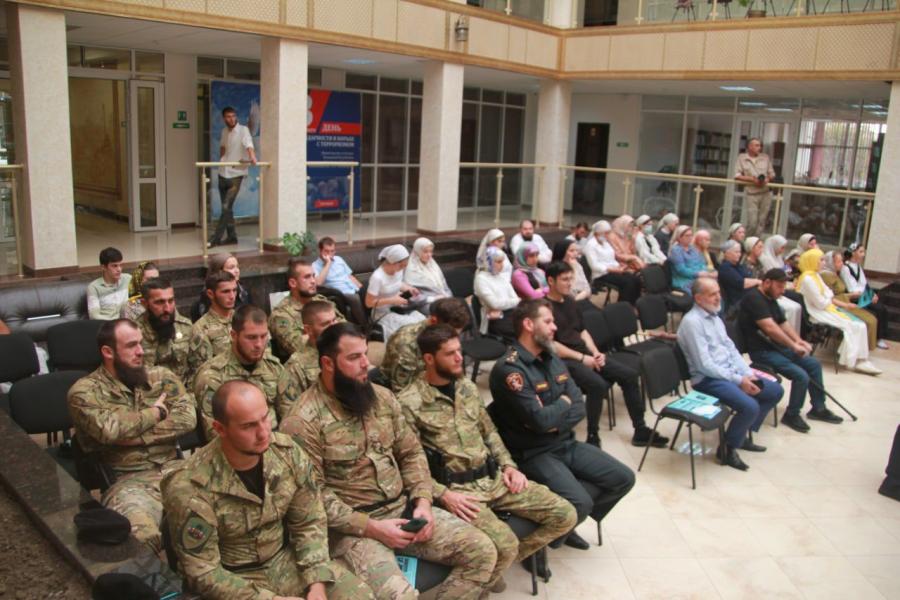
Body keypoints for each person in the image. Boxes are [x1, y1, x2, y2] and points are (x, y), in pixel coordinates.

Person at [279, 323, 500, 600]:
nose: (366, 363)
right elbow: (313, 498)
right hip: (354, 529)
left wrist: (423, 502)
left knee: (483, 552)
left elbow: (411, 453)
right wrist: (372, 527)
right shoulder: (302, 422)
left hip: (402, 509)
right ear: (328, 363)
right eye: (354, 357)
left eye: (365, 353)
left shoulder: (381, 398)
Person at [397, 324, 577, 585]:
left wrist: (509, 466)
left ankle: (492, 571)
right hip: (460, 493)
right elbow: (408, 462)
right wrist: (443, 495)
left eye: (459, 350)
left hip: (494, 479)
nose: (459, 358)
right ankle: (485, 578)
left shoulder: (467, 387)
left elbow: (490, 432)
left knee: (565, 515)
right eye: (450, 353)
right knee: (506, 544)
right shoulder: (408, 402)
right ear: (429, 358)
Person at [161, 381, 371, 600]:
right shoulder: (190, 486)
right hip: (233, 581)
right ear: (220, 429)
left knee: (360, 595)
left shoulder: (287, 453)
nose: (263, 433)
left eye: (265, 418)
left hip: (286, 563)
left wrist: (316, 582)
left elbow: (309, 520)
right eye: (248, 426)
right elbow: (203, 572)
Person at [488, 300, 635, 554]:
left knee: (623, 478)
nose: (554, 327)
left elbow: (578, 405)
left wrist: (555, 416)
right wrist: (561, 405)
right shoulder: (510, 369)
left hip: (564, 442)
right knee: (580, 503)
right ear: (528, 324)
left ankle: (564, 527)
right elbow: (541, 420)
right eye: (548, 321)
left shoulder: (551, 357)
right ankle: (537, 547)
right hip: (533, 452)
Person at [67, 319, 196, 552]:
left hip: (177, 469)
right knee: (141, 539)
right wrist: (156, 413)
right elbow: (110, 430)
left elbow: (187, 419)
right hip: (129, 482)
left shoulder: (161, 377)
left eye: (140, 343)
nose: (140, 351)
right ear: (108, 352)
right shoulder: (84, 392)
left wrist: (135, 436)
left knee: (225, 516)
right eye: (131, 345)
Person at [545, 262, 667, 449]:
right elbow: (551, 345)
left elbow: (582, 331)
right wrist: (582, 358)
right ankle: (593, 435)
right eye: (564, 279)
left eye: (571, 279)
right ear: (550, 281)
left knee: (629, 375)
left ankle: (640, 429)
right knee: (598, 385)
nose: (569, 283)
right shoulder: (544, 308)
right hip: (566, 360)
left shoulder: (570, 302)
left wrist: (595, 352)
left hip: (585, 354)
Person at [677, 279, 784, 471]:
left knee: (775, 391)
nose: (718, 297)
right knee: (749, 406)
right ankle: (727, 449)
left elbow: (731, 349)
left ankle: (741, 435)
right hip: (707, 379)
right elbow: (704, 365)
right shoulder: (692, 322)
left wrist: (747, 374)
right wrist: (739, 380)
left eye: (718, 292)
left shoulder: (715, 317)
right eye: (712, 294)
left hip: (729, 372)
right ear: (698, 298)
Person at [739, 269, 843, 433]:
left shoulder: (770, 298)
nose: (782, 291)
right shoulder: (754, 299)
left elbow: (782, 323)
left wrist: (798, 340)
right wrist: (793, 346)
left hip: (777, 348)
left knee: (813, 364)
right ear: (767, 282)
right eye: (779, 286)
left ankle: (818, 408)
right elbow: (770, 328)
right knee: (800, 375)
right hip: (762, 351)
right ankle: (792, 414)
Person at [195, 305, 296, 440]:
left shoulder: (274, 367)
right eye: (251, 337)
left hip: (275, 441)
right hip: (238, 447)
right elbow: (215, 434)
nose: (259, 344)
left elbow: (289, 416)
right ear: (234, 335)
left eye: (263, 336)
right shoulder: (212, 376)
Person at [796, 249, 881, 375]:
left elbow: (829, 295)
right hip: (819, 313)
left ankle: (861, 359)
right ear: (812, 260)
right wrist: (829, 299)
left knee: (860, 325)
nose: (823, 263)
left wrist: (837, 301)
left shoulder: (816, 276)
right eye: (821, 260)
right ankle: (856, 360)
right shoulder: (808, 279)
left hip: (827, 308)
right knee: (854, 325)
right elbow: (821, 303)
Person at [381, 297, 471, 392]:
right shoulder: (406, 343)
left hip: (433, 380)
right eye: (447, 333)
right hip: (408, 388)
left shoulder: (444, 333)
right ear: (433, 321)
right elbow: (402, 390)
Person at [269, 258, 345, 357]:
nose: (313, 281)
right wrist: (332, 332)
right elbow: (297, 346)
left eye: (313, 276)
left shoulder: (321, 300)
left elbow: (344, 327)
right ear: (293, 283)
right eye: (307, 277)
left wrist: (315, 334)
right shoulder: (281, 314)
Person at [276, 300, 339, 417]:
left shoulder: (345, 352)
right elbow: (288, 413)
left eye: (334, 320)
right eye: (325, 324)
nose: (334, 327)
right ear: (308, 330)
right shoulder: (296, 366)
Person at [209, 106, 257, 248]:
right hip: (223, 172)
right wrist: (222, 159)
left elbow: (249, 144)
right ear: (224, 118)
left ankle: (215, 238)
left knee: (226, 207)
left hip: (236, 174)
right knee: (227, 209)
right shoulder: (224, 131)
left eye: (233, 116)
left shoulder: (243, 130)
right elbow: (223, 146)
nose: (231, 119)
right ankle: (232, 237)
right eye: (228, 117)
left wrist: (252, 156)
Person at [134, 278, 193, 382]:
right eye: (159, 302)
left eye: (171, 301)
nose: (167, 309)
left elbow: (198, 366)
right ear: (144, 303)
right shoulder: (133, 333)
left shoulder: (186, 327)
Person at [365, 244, 426, 341]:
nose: (403, 268)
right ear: (392, 262)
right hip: (382, 313)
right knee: (411, 326)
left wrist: (409, 289)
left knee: (422, 320)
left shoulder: (398, 270)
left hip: (397, 308)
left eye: (405, 266)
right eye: (401, 265)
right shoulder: (377, 278)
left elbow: (398, 283)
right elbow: (369, 303)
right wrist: (392, 300)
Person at [186, 271, 238, 383]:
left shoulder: (242, 319)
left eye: (234, 290)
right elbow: (203, 372)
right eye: (226, 291)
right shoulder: (201, 329)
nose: (232, 296)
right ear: (210, 294)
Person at [821, 251, 878, 351]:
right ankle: (860, 349)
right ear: (832, 263)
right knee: (869, 321)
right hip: (838, 305)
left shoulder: (835, 273)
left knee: (872, 319)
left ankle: (862, 349)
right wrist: (850, 296)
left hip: (844, 302)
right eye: (838, 262)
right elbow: (830, 297)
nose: (841, 264)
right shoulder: (827, 275)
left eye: (841, 261)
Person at [840, 243, 890, 349]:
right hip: (854, 298)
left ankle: (880, 338)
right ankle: (876, 338)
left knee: (883, 309)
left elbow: (864, 284)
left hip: (863, 296)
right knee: (878, 310)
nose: (863, 254)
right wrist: (869, 296)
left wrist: (872, 294)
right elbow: (852, 288)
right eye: (861, 252)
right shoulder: (845, 268)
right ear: (853, 253)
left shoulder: (858, 267)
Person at [583, 220, 642, 305]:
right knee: (627, 283)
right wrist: (612, 269)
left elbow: (611, 258)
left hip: (614, 270)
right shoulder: (590, 245)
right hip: (602, 274)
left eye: (608, 233)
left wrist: (619, 266)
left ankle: (634, 305)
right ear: (598, 233)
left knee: (636, 279)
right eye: (606, 233)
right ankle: (623, 307)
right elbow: (594, 266)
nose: (608, 235)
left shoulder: (605, 243)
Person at [313, 236, 366, 325]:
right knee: (355, 298)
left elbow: (350, 276)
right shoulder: (315, 266)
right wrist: (328, 264)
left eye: (332, 251)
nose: (330, 254)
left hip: (352, 288)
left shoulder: (339, 259)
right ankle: (365, 326)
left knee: (367, 290)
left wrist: (362, 288)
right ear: (320, 250)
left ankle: (373, 320)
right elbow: (318, 283)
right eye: (326, 251)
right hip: (341, 294)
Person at [474, 247, 520, 339]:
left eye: (502, 261)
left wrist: (512, 302)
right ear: (488, 262)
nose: (502, 265)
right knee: (521, 331)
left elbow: (515, 298)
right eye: (498, 262)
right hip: (494, 318)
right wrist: (514, 301)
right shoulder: (480, 279)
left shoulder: (500, 277)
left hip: (510, 313)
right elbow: (495, 304)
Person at [734, 137, 775, 236]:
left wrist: (767, 179)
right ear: (749, 146)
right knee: (752, 222)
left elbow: (772, 174)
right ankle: (746, 240)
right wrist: (752, 179)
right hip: (751, 193)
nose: (759, 147)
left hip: (765, 193)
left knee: (762, 221)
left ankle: (756, 241)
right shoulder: (742, 158)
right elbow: (737, 175)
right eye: (757, 145)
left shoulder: (765, 157)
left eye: (760, 145)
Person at [192, 253, 251, 321]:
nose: (237, 271)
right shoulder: (205, 299)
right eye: (231, 267)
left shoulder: (244, 291)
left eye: (237, 266)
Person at [87, 247, 132, 320]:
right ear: (103, 267)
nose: (119, 269)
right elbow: (94, 316)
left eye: (120, 265)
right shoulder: (93, 287)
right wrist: (115, 323)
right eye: (114, 266)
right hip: (106, 324)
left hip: (126, 322)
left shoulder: (127, 278)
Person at [718, 240, 761, 315]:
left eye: (740, 252)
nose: (739, 254)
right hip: (737, 303)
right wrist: (757, 281)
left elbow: (748, 277)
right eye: (736, 252)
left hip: (749, 298)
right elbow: (741, 283)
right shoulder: (725, 268)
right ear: (727, 253)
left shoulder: (738, 266)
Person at [669, 225, 716, 294]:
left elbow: (701, 263)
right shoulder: (676, 251)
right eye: (687, 236)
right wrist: (698, 274)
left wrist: (709, 273)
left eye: (691, 235)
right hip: (683, 281)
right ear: (679, 237)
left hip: (698, 279)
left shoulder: (693, 249)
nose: (690, 238)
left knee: (714, 288)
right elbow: (681, 270)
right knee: (707, 291)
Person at [403, 237, 452, 302]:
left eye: (431, 251)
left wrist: (448, 296)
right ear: (417, 252)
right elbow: (408, 295)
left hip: (443, 299)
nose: (429, 255)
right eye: (425, 252)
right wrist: (432, 299)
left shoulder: (433, 266)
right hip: (425, 303)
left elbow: (444, 286)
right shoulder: (411, 270)